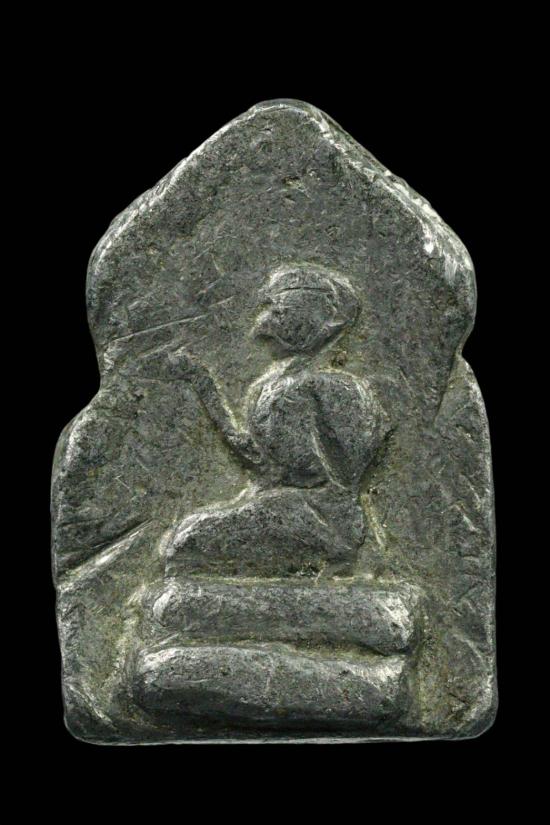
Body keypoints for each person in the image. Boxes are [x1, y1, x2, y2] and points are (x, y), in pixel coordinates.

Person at [140, 265, 387, 577]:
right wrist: (202, 384)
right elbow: (262, 461)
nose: (262, 328)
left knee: (188, 542)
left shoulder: (334, 388)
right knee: (183, 541)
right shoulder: (270, 385)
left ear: (310, 320)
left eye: (278, 313)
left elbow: (334, 471)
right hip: (284, 504)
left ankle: (318, 567)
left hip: (320, 517)